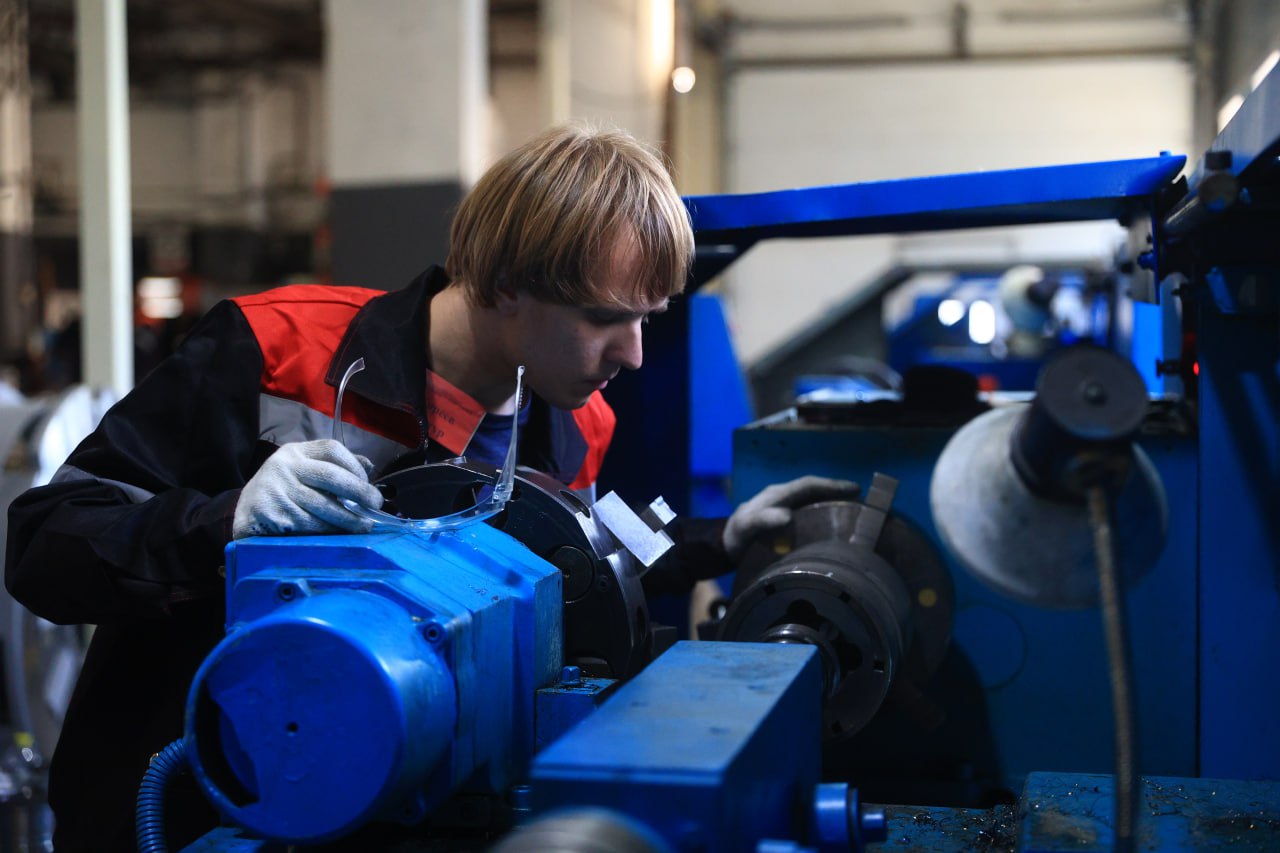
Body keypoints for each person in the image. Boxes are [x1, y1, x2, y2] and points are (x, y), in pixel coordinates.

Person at [4, 123, 856, 851]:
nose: (632, 354)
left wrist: (720, 539)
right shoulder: (276, 354)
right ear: (504, 284)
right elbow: (44, 543)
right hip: (200, 807)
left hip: (413, 814)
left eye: (646, 319)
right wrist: (227, 520)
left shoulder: (575, 420)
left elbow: (581, 561)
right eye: (606, 318)